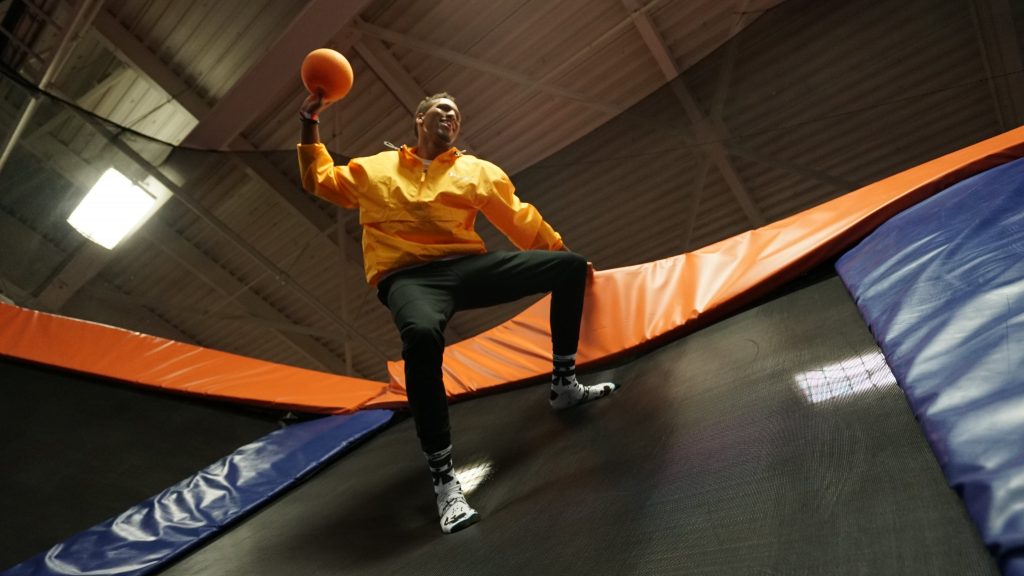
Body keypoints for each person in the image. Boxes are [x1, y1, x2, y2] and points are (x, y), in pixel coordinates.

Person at [297, 91, 616, 534]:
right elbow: (320, 179)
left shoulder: (477, 171)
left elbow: (518, 217)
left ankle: (563, 384)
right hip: (408, 279)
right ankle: (445, 480)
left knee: (567, 268)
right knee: (423, 336)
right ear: (420, 118)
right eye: (442, 109)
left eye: (457, 114)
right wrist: (308, 120)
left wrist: (560, 251)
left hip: (466, 268)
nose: (451, 115)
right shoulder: (373, 169)